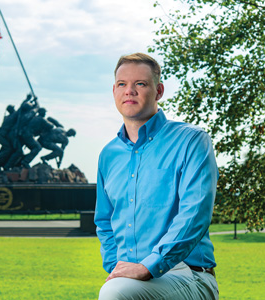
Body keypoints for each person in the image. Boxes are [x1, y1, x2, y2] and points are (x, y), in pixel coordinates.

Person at [94, 53, 219, 300]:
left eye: (140, 84)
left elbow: (195, 213)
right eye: (122, 84)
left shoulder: (192, 141)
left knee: (115, 294)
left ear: (158, 91)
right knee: (117, 289)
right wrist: (115, 267)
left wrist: (150, 266)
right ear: (114, 91)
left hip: (188, 274)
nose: (129, 91)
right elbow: (104, 221)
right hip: (131, 280)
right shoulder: (108, 155)